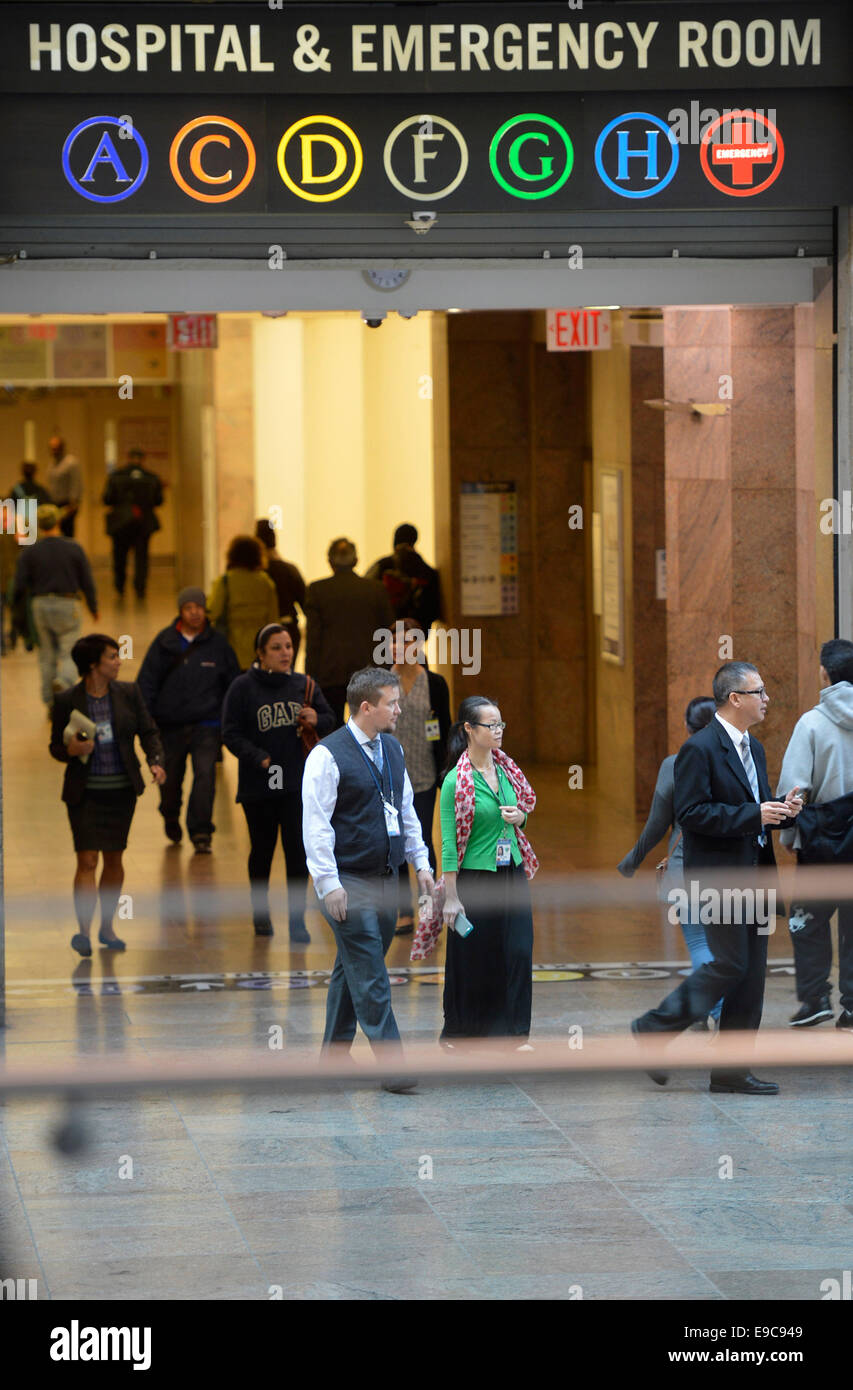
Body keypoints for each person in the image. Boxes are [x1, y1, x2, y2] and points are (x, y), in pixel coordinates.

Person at [631, 661, 803, 1095]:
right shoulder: (700, 750)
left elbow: (754, 807)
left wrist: (780, 809)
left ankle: (730, 1071)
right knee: (729, 964)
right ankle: (654, 1027)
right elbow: (691, 814)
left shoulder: (755, 748)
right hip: (719, 881)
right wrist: (755, 813)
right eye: (759, 691)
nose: (767, 699)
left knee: (752, 975)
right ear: (735, 699)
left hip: (756, 876)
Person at [301, 667, 434, 1090]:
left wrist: (422, 864)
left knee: (353, 966)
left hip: (385, 878)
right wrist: (328, 884)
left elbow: (406, 810)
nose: (399, 709)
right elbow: (316, 824)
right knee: (372, 972)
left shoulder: (392, 749)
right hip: (348, 881)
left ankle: (333, 1060)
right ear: (366, 707)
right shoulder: (326, 755)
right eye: (391, 703)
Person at [50, 633, 165, 956]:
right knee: (87, 860)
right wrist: (70, 750)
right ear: (93, 664)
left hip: (120, 790)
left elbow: (148, 731)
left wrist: (155, 762)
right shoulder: (67, 700)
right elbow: (55, 747)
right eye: (112, 657)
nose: (119, 661)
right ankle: (83, 933)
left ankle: (108, 927)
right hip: (84, 792)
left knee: (114, 858)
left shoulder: (128, 693)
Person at [433, 696, 538, 1048]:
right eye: (490, 725)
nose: (498, 731)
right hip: (475, 878)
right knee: (477, 957)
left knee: (519, 951)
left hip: (512, 872)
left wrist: (520, 818)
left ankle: (515, 1032)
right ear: (469, 730)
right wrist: (451, 897)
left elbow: (524, 809)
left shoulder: (507, 768)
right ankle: (463, 1032)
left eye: (500, 724)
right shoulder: (455, 782)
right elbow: (449, 844)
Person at [222, 623, 335, 942]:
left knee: (297, 853)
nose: (285, 653)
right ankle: (260, 915)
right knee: (261, 851)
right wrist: (256, 756)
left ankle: (297, 920)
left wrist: (317, 719)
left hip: (298, 785)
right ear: (261, 653)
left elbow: (330, 720)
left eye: (288, 646)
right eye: (276, 647)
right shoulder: (242, 687)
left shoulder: (305, 684)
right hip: (259, 786)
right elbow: (230, 732)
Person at [619, 696, 722, 1027]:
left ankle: (716, 1012)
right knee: (723, 949)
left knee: (699, 945)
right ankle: (711, 1012)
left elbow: (657, 823)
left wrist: (632, 860)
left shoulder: (674, 765)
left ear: (687, 727)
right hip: (729, 871)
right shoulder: (735, 761)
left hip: (686, 869)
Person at [777, 639, 853, 1031]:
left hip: (822, 841)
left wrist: (789, 839)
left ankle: (815, 997)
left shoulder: (811, 723)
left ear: (824, 673)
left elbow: (794, 789)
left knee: (807, 920)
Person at [137, 586, 241, 853]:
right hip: (170, 725)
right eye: (188, 608)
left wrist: (230, 719)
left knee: (205, 776)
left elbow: (233, 684)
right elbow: (146, 683)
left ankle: (201, 832)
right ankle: (170, 814)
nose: (195, 613)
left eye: (199, 607)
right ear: (181, 611)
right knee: (170, 781)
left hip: (207, 725)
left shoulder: (218, 644)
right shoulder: (165, 643)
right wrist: (144, 719)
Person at [387, 618, 450, 935]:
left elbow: (445, 730)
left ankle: (430, 908)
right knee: (395, 842)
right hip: (391, 778)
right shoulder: (382, 682)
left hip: (424, 777)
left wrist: (446, 771)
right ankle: (402, 911)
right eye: (396, 641)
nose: (402, 647)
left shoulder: (435, 684)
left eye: (409, 641)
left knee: (422, 840)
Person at [12, 504, 98, 712]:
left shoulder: (30, 551)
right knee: (69, 651)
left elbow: (19, 585)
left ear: (40, 525)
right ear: (58, 522)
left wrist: (16, 611)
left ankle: (50, 700)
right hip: (68, 603)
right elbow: (87, 580)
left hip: (40, 604)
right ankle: (64, 682)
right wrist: (94, 607)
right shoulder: (73, 548)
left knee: (47, 654)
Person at [304, 539, 394, 727]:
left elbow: (314, 639)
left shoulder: (317, 590)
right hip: (369, 673)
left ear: (330, 561)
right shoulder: (375, 590)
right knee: (368, 732)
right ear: (356, 560)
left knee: (333, 731)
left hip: (330, 673)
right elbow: (386, 633)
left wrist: (310, 677)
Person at [208, 535, 279, 671]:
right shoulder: (265, 582)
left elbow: (212, 613)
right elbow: (273, 619)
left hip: (231, 649)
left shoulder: (225, 582)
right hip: (259, 651)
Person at [103, 448, 164, 599]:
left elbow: (107, 499)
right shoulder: (152, 478)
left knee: (119, 556)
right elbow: (159, 501)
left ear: (128, 458)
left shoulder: (116, 477)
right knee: (142, 557)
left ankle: (120, 586)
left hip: (120, 524)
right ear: (143, 459)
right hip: (144, 523)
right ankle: (140, 587)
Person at [366, 523, 442, 630]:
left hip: (385, 633)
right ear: (414, 541)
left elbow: (365, 595)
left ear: (395, 540)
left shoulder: (382, 566)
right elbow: (434, 609)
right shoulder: (428, 571)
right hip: (415, 634)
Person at [255, 519, 306, 659]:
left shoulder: (254, 575)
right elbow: (305, 603)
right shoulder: (289, 570)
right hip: (287, 629)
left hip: (259, 630)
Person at [45, 436, 83, 537]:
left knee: (67, 534)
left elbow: (76, 483)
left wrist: (73, 503)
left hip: (67, 505)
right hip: (54, 504)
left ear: (61, 448)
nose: (53, 451)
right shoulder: (52, 464)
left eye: (55, 448)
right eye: (52, 448)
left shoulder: (71, 463)